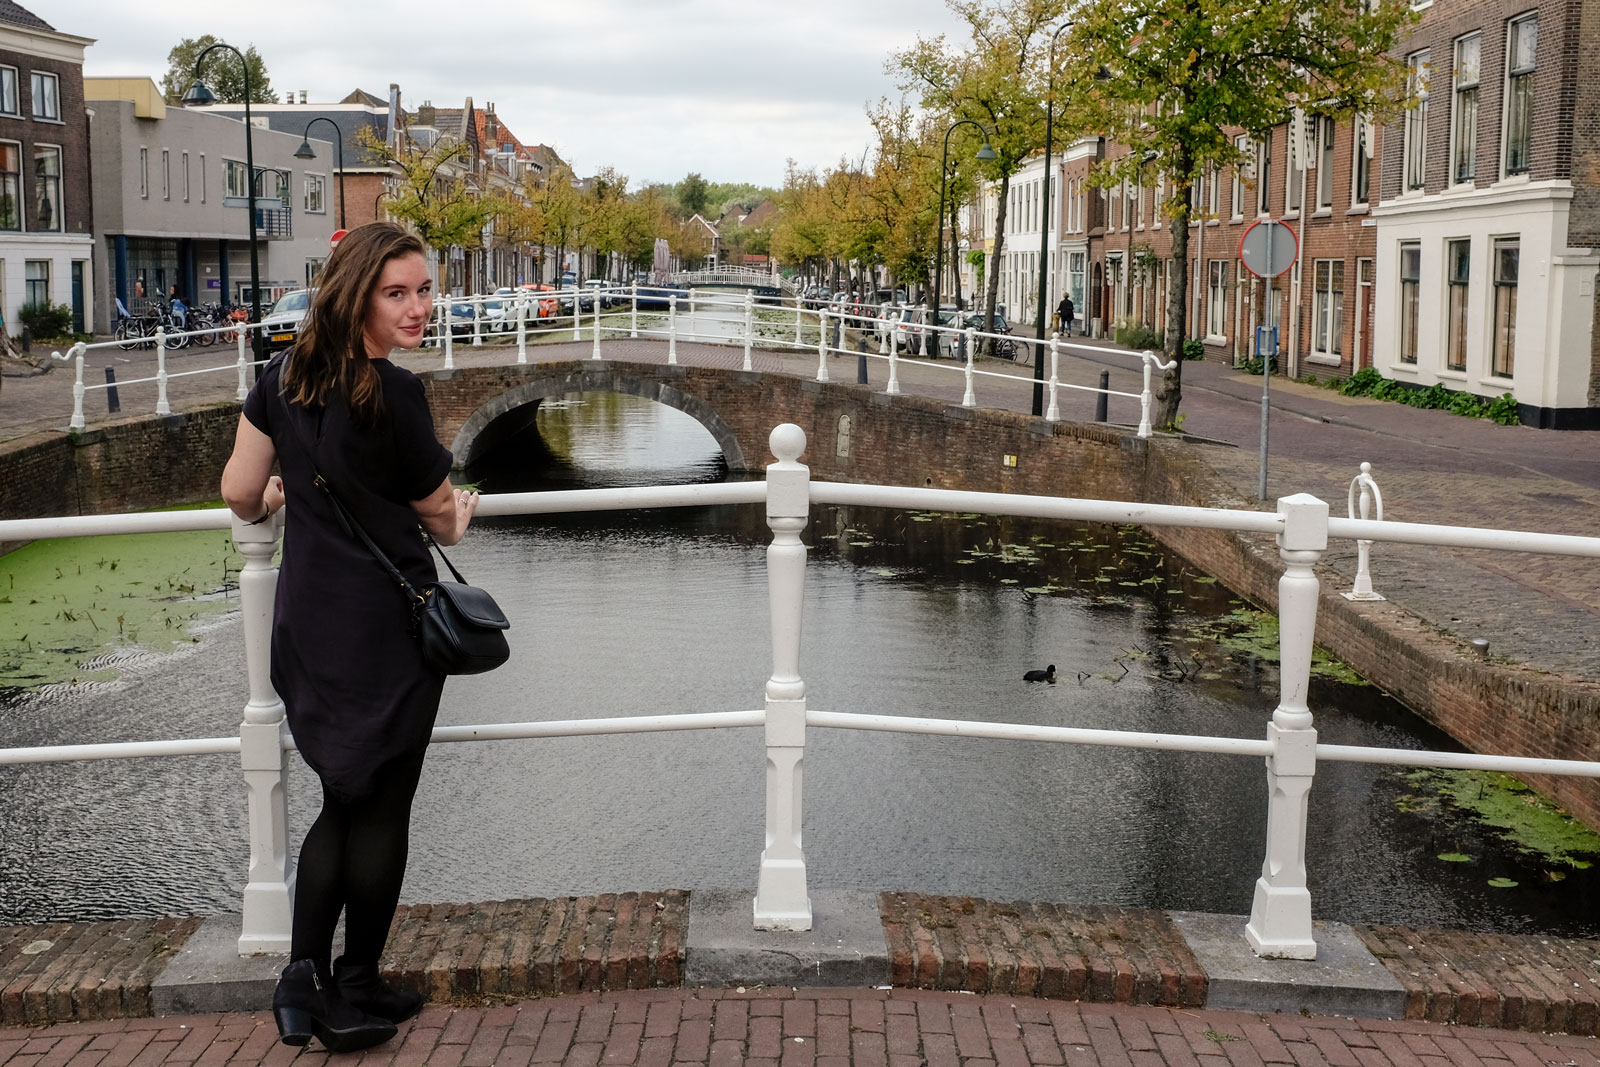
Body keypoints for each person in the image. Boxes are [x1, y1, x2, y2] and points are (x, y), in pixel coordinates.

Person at [221, 223, 480, 1054]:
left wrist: (279, 504)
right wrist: (456, 514)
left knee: (344, 794)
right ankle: (335, 979)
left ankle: (325, 982)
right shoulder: (392, 393)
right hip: (386, 629)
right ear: (357, 293)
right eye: (396, 293)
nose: (418, 308)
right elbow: (440, 511)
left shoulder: (282, 375)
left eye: (424, 290)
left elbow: (238, 489)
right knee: (377, 806)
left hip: (307, 624)